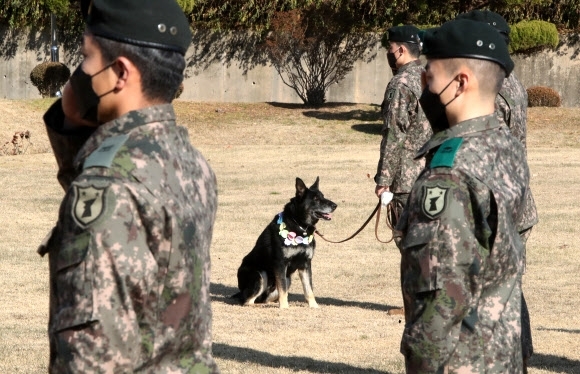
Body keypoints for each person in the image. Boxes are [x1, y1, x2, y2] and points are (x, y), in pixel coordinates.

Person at [37, 0, 220, 372]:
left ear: (120, 72)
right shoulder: (190, 162)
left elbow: (92, 356)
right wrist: (72, 123)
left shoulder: (109, 187)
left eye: (86, 57)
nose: (79, 73)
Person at [395, 19, 530, 372]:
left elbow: (440, 301)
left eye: (431, 74)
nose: (424, 83)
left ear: (461, 82)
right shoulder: (505, 147)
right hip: (503, 355)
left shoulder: (448, 175)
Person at [455, 10, 539, 373]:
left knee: (496, 288)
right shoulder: (512, 81)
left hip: (498, 202)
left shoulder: (495, 85)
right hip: (513, 198)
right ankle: (521, 354)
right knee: (508, 284)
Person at [375, 25, 432, 228]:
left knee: (409, 245)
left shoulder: (401, 84)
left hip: (406, 183)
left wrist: (384, 179)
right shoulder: (430, 77)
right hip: (433, 174)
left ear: (401, 50)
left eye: (390, 48)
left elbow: (394, 133)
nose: (389, 53)